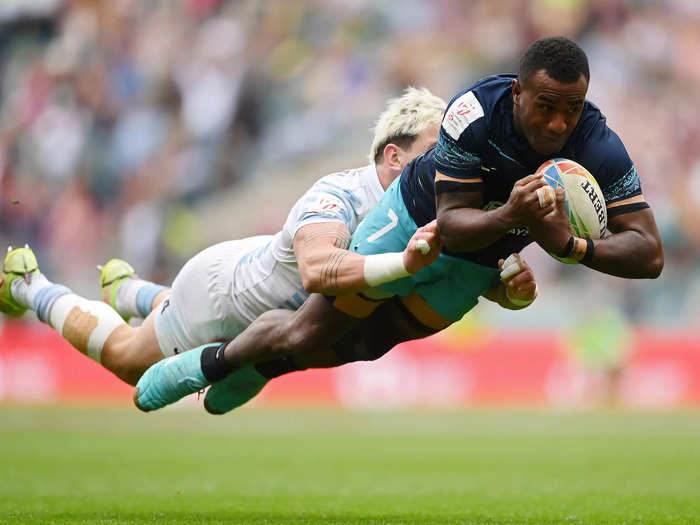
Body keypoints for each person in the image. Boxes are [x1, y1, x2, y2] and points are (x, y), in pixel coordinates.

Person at [132, 36, 663, 413]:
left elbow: (650, 254)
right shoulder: (472, 112)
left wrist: (571, 247)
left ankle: (262, 368)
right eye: (546, 106)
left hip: (476, 264)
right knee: (310, 328)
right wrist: (514, 217)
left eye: (572, 109)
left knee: (361, 347)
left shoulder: (597, 145)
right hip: (412, 218)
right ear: (519, 93)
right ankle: (211, 365)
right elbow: (451, 224)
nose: (559, 123)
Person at [0, 87, 447, 387]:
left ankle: (131, 291)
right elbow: (316, 271)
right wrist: (405, 263)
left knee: (160, 318)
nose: (443, 168)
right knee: (127, 360)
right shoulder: (341, 195)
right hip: (220, 301)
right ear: (393, 156)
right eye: (432, 155)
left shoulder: (416, 208)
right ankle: (29, 284)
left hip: (250, 278)